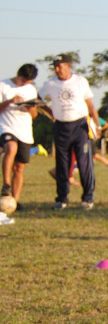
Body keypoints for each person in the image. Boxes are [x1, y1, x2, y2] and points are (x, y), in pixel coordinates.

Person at [39, 54, 100, 210]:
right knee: (62, 164)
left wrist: (97, 125)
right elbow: (38, 99)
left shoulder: (80, 81)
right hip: (61, 126)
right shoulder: (50, 84)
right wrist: (50, 111)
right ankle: (62, 198)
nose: (58, 69)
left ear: (68, 66)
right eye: (55, 66)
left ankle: (87, 198)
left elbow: (90, 105)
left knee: (84, 162)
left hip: (80, 126)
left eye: (60, 66)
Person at [1, 64, 40, 217]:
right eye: (23, 80)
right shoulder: (3, 85)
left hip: (24, 131)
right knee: (10, 148)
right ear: (18, 74)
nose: (25, 83)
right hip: (6, 127)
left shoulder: (31, 90)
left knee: (19, 168)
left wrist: (30, 108)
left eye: (29, 81)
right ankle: (6, 185)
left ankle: (14, 202)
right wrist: (10, 101)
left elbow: (35, 114)